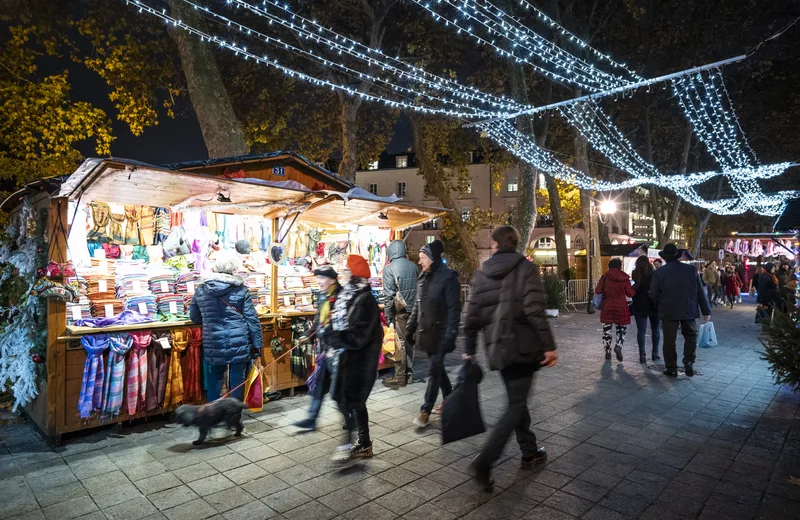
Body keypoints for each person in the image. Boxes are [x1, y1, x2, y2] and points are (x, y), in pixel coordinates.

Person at [462, 226, 558, 491]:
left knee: (517, 400)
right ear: (515, 243)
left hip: (498, 350)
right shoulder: (526, 269)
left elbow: (471, 317)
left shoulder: (482, 274)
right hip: (524, 347)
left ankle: (529, 451)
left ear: (495, 244)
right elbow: (535, 311)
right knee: (516, 404)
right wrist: (549, 346)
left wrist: (469, 349)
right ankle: (486, 460)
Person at [329, 255, 383, 463]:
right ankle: (360, 442)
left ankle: (361, 443)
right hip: (349, 358)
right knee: (347, 400)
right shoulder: (350, 295)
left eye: (347, 270)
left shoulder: (365, 299)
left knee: (355, 402)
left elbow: (360, 335)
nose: (344, 273)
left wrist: (337, 337)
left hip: (361, 361)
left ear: (355, 274)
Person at [189, 258, 263, 401]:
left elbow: (194, 317)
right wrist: (258, 344)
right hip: (239, 339)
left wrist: (210, 321)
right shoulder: (241, 289)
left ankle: (213, 413)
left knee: (215, 376)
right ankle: (234, 415)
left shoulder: (202, 289)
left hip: (213, 340)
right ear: (232, 270)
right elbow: (252, 319)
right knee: (238, 377)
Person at [406, 239, 461, 428]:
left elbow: (455, 309)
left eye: (423, 258)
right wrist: (410, 328)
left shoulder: (448, 277)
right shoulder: (423, 276)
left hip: (441, 334)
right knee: (437, 369)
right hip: (426, 332)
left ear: (433, 258)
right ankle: (450, 399)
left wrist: (451, 334)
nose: (419, 262)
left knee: (433, 371)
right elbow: (417, 305)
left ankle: (425, 410)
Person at [649, 244, 711, 378]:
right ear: (677, 256)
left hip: (668, 310)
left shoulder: (659, 273)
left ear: (664, 258)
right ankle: (689, 360)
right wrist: (706, 310)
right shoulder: (691, 270)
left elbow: (653, 294)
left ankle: (671, 367)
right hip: (688, 309)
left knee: (669, 340)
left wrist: (657, 305)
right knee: (690, 336)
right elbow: (700, 292)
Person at [294, 266, 343, 431]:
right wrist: (306, 335)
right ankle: (311, 418)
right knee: (319, 387)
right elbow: (317, 323)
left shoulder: (341, 296)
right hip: (324, 349)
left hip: (338, 351)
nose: (319, 282)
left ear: (332, 280)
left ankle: (351, 419)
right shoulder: (322, 296)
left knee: (338, 391)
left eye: (322, 278)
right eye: (318, 278)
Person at [381, 240, 418, 388]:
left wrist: (388, 316)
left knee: (400, 343)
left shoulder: (389, 269)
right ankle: (409, 375)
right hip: (414, 310)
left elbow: (388, 296)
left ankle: (400, 376)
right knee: (410, 343)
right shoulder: (414, 267)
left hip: (400, 312)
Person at [595, 258, 635, 362]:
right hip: (621, 307)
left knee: (606, 331)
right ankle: (618, 346)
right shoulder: (624, 278)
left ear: (609, 266)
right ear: (620, 266)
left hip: (607, 307)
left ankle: (607, 350)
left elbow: (598, 290)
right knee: (621, 329)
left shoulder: (605, 277)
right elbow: (630, 293)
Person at [631, 255, 660, 363]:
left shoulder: (635, 273)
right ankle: (655, 352)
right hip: (653, 304)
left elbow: (635, 286)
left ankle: (642, 354)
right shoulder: (654, 273)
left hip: (639, 303)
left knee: (641, 331)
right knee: (656, 329)